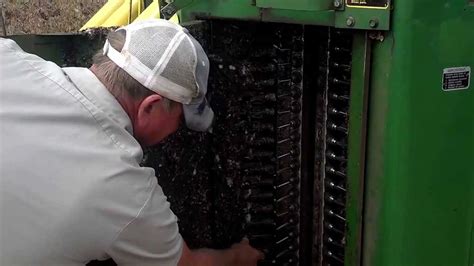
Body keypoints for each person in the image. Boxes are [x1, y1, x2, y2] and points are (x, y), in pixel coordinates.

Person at [0, 19, 263, 266]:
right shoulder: (125, 189)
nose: (177, 131)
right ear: (151, 107)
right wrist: (239, 256)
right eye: (180, 121)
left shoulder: (8, 57)